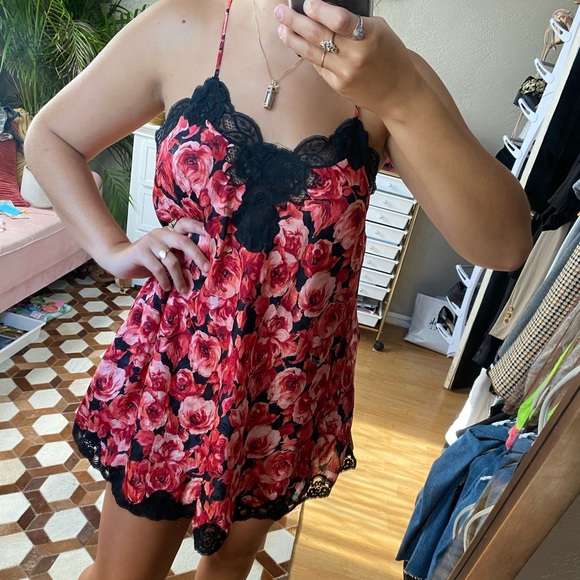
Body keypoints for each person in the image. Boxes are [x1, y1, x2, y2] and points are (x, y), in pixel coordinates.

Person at [24, 0, 532, 578]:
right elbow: (52, 137)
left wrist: (403, 96)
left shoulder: (390, 76)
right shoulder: (180, 25)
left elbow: (505, 244)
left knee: (231, 561)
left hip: (284, 392)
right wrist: (114, 248)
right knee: (124, 575)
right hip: (173, 370)